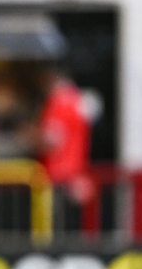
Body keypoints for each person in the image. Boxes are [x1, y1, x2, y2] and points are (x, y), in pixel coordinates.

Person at [28, 64, 94, 232]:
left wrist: (30, 136)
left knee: (55, 236)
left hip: (57, 177)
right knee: (73, 234)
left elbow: (52, 139)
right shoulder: (78, 99)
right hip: (75, 174)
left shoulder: (59, 101)